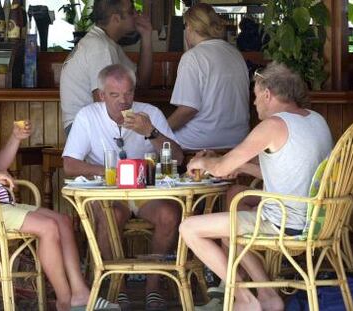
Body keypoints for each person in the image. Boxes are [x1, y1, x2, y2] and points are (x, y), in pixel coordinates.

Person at [0, 66, 120, 311]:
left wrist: (15, 138)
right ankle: (66, 301)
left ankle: (81, 294)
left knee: (63, 221)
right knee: (47, 227)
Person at [180, 62, 333, 311]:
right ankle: (267, 295)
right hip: (317, 219)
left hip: (287, 223)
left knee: (189, 228)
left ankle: (244, 298)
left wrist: (201, 161)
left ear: (267, 94)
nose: (254, 104)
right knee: (237, 209)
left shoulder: (273, 125)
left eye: (255, 96)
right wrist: (243, 168)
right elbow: (293, 173)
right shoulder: (316, 119)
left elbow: (219, 169)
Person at [63, 64, 183, 311]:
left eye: (128, 94)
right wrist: (111, 173)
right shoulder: (88, 115)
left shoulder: (149, 114)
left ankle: (153, 288)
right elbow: (70, 165)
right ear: (101, 95)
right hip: (108, 193)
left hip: (144, 192)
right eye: (115, 95)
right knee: (111, 216)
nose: (123, 101)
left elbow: (178, 159)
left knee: (169, 214)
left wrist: (150, 132)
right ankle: (118, 290)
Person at [60, 0, 153, 136]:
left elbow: (142, 83)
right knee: (153, 138)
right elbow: (104, 104)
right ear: (116, 19)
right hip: (85, 129)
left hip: (92, 125)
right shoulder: (100, 47)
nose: (137, 15)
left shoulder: (107, 43)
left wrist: (146, 36)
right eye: (131, 12)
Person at [168, 3, 250, 150]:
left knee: (154, 142)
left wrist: (160, 129)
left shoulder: (193, 57)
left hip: (199, 142)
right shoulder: (235, 53)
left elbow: (188, 109)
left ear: (190, 27)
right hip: (239, 141)